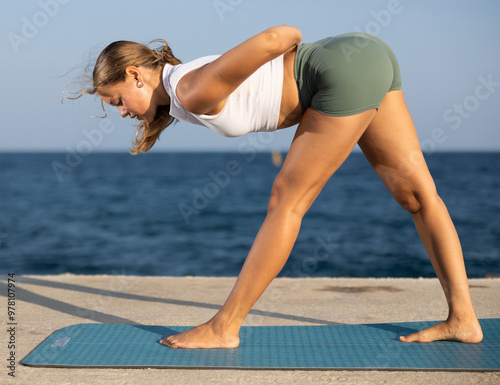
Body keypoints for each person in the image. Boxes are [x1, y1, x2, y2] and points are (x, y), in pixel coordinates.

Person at [75, 25, 483, 348]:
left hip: (341, 70)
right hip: (365, 57)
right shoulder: (183, 90)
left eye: (117, 101)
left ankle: (224, 327)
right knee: (416, 197)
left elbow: (280, 35)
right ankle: (463, 319)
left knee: (286, 201)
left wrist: (301, 66)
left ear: (134, 75)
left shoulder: (190, 90)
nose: (123, 111)